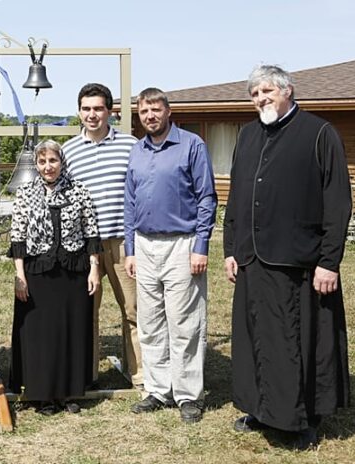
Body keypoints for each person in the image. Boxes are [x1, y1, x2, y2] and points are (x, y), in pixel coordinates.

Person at [224, 65, 351, 449]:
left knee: (294, 344)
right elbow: (236, 197)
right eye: (254, 94)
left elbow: (338, 201)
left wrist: (329, 261)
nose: (261, 98)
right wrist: (230, 249)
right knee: (252, 340)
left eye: (267, 91)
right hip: (251, 260)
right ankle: (258, 408)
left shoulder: (319, 133)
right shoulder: (247, 136)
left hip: (298, 263)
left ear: (288, 91)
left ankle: (300, 419)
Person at [124, 88, 217, 424]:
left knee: (185, 323)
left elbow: (207, 197)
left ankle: (189, 394)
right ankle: (158, 389)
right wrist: (130, 249)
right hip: (145, 246)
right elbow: (130, 203)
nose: (150, 116)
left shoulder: (191, 145)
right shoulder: (137, 151)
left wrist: (201, 245)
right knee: (150, 323)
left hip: (183, 243)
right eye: (144, 111)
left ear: (168, 111)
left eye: (155, 109)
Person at [8, 139, 101, 415]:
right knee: (41, 334)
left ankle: (69, 392)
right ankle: (43, 394)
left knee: (71, 330)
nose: (48, 167)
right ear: (36, 165)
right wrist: (19, 277)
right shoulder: (25, 193)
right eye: (42, 161)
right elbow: (18, 237)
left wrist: (94, 268)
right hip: (37, 275)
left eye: (53, 160)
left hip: (73, 272)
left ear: (62, 162)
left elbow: (91, 232)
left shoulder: (80, 191)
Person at [62, 83, 143, 387]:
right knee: (85, 312)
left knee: (134, 310)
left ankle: (140, 376)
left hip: (123, 241)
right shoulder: (68, 151)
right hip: (85, 246)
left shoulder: (130, 145)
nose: (92, 115)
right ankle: (86, 375)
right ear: (79, 112)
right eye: (86, 109)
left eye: (98, 108)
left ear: (110, 111)